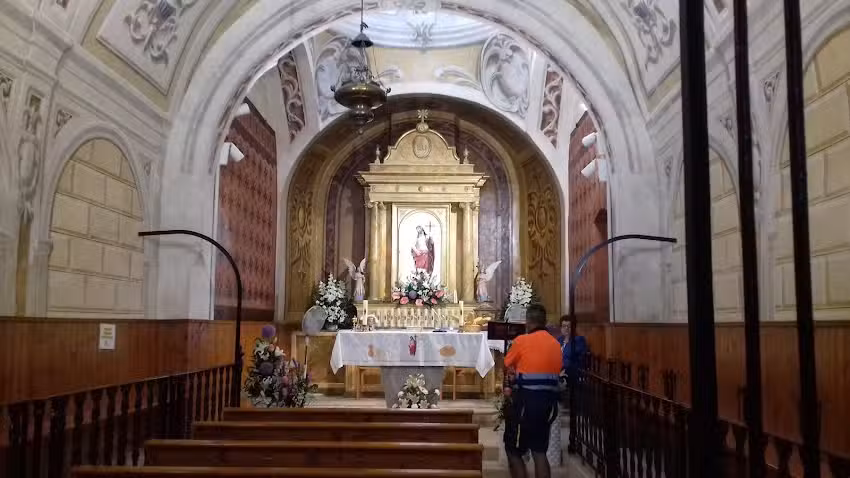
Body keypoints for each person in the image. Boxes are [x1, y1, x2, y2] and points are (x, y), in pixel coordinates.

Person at [502, 304, 562, 478]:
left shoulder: (522, 341)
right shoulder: (555, 344)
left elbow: (507, 364)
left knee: (513, 449)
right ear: (545, 321)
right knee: (539, 451)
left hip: (526, 403)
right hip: (548, 403)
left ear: (527, 322)